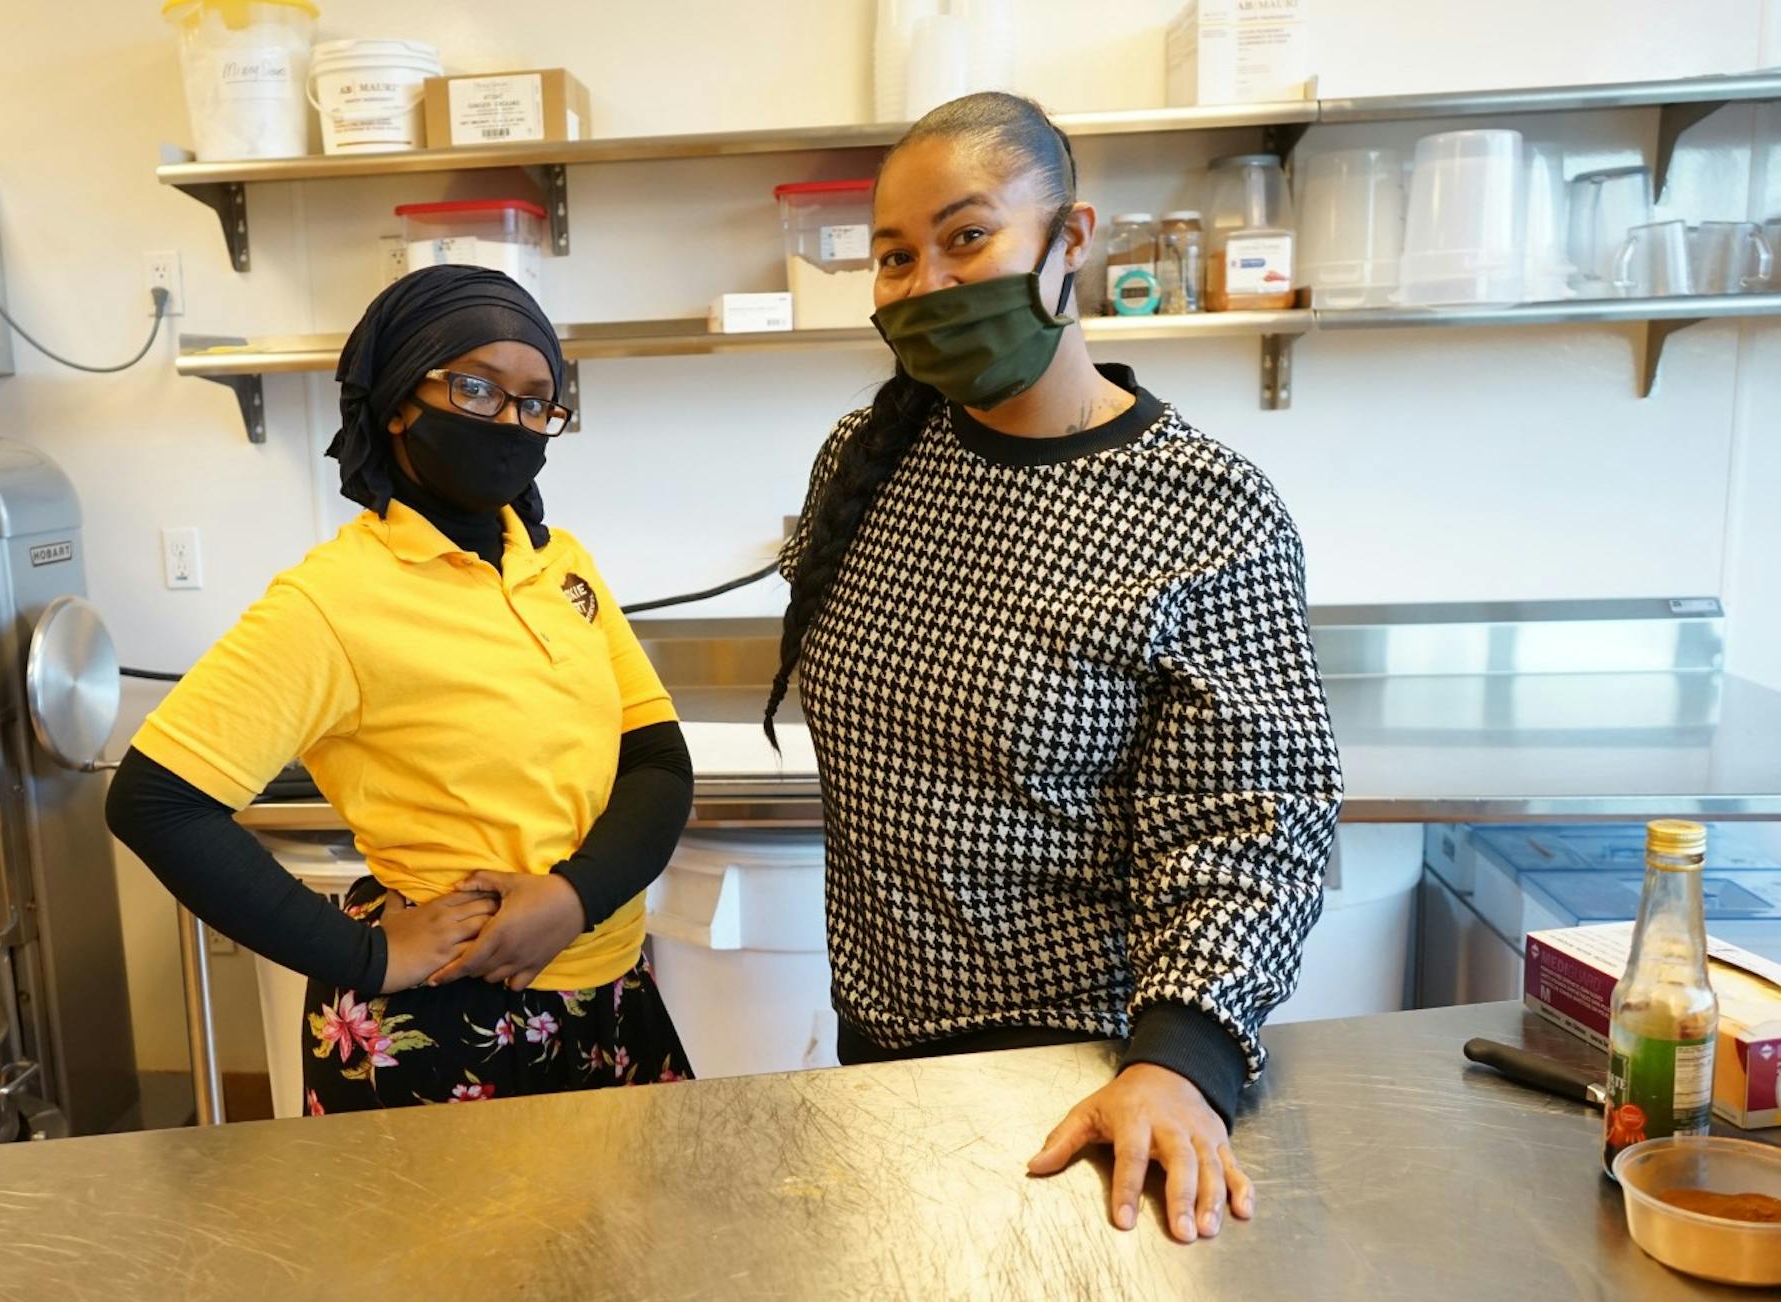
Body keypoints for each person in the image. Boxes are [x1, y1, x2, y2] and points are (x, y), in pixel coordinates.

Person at [766, 94, 1343, 1243]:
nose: (928, 282)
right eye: (896, 255)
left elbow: (1255, 824)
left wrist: (1179, 1058)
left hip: (1087, 1082)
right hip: (878, 1051)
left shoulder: (1203, 507)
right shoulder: (869, 459)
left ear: (1070, 238)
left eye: (968, 236)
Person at [109, 265, 694, 1114]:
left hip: (609, 993)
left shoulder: (560, 564)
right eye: (476, 389)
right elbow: (156, 801)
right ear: (396, 402)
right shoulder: (333, 599)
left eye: (537, 403)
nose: (512, 421)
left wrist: (574, 898)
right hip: (442, 1020)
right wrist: (369, 958)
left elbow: (657, 764)